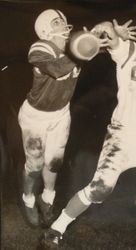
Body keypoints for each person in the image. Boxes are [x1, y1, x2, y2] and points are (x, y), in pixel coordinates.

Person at [41, 19, 136, 248]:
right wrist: (113, 31)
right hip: (121, 138)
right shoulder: (128, 51)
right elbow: (106, 30)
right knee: (100, 190)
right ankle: (58, 226)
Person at [18, 9, 105, 228]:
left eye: (64, 21)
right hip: (35, 117)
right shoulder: (41, 46)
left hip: (61, 114)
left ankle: (47, 199)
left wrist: (110, 34)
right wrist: (82, 48)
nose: (65, 25)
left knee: (54, 163)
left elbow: (106, 46)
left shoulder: (73, 44)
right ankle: (27, 200)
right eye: (58, 22)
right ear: (46, 29)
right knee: (35, 166)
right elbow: (56, 70)